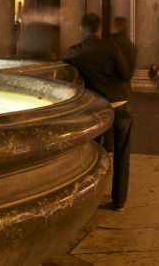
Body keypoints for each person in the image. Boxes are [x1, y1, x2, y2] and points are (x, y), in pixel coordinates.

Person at [64, 13, 133, 210]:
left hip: (98, 107)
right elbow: (126, 73)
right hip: (120, 103)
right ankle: (119, 200)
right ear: (98, 29)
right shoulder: (110, 47)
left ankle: (89, 196)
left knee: (91, 153)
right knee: (122, 154)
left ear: (81, 28)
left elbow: (64, 66)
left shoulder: (75, 52)